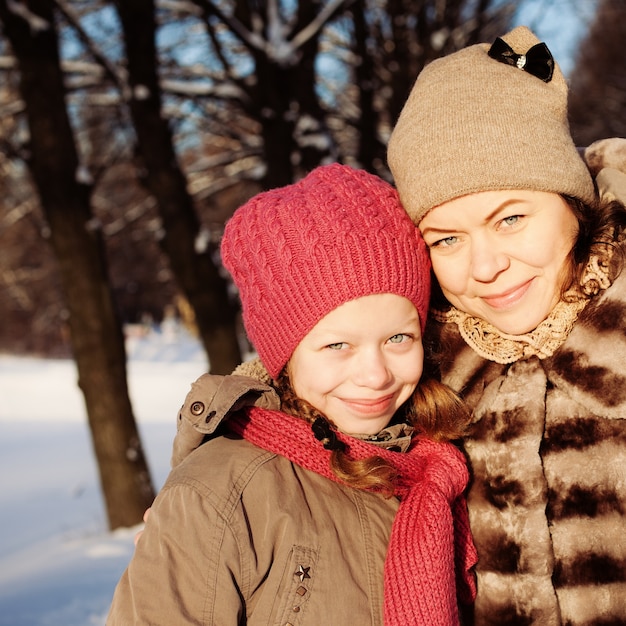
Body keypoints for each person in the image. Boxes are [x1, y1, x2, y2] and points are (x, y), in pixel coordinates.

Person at [107, 163, 477, 625]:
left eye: (398, 338)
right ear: (285, 354)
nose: (375, 375)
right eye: (337, 345)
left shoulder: (442, 465)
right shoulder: (222, 493)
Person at [387, 25, 626, 626]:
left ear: (572, 206)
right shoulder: (413, 376)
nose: (487, 266)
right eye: (447, 239)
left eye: (511, 218)